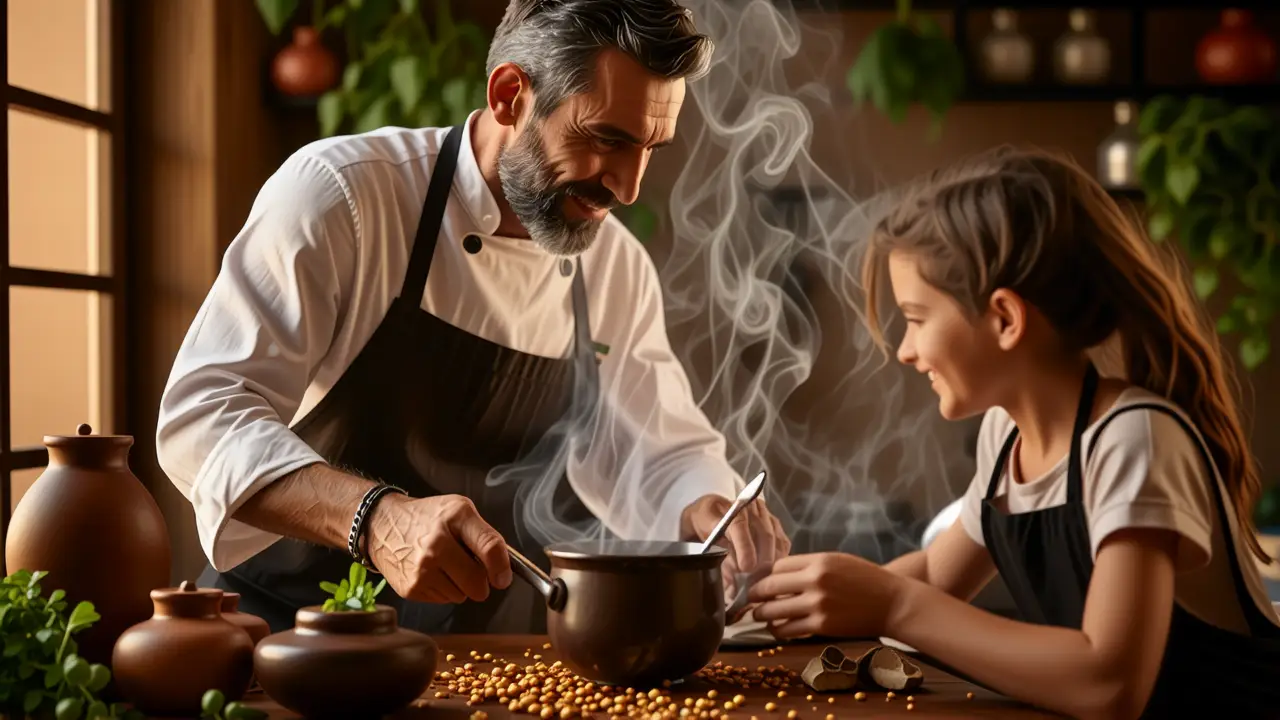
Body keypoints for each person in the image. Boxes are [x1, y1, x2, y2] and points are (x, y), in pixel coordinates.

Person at [156, 0, 790, 636]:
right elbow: (203, 417)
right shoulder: (345, 195)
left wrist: (708, 506)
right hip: (291, 642)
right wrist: (375, 518)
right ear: (511, 94)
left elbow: (655, 450)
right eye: (606, 138)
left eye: (650, 148)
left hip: (488, 661)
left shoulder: (613, 265)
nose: (627, 188)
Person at [748, 146, 1280, 717]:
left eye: (917, 319)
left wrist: (893, 606)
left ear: (1005, 318)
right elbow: (933, 574)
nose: (904, 350)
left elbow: (1110, 682)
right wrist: (796, 603)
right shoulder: (1007, 436)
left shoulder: (1131, 439)